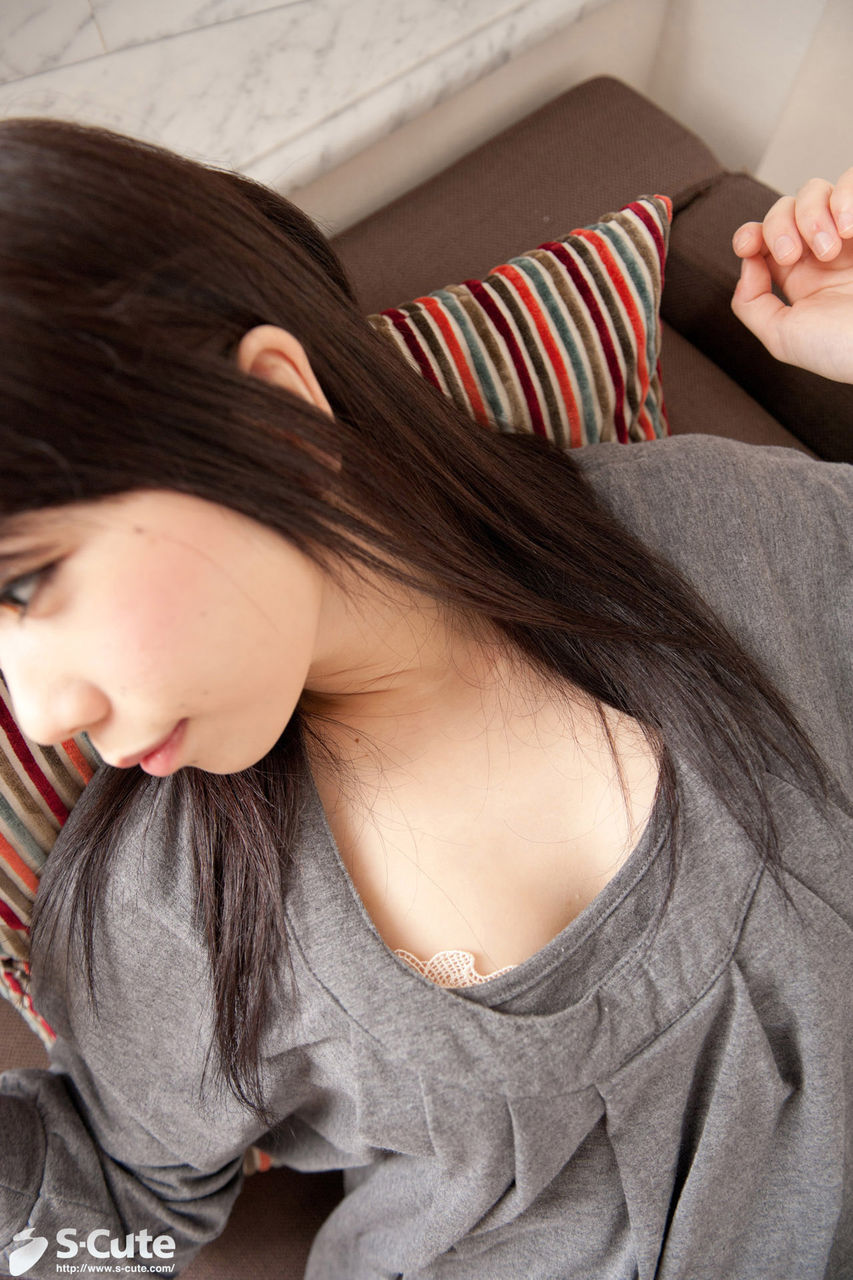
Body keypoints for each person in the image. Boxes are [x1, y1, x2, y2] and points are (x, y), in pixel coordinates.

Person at [0, 113, 850, 1280]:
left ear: (274, 415)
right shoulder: (168, 909)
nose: (40, 714)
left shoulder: (740, 537)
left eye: (25, 582)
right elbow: (114, 1208)